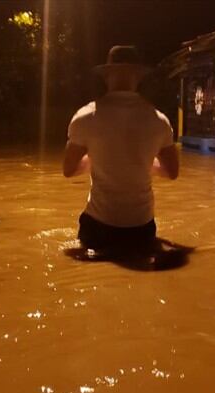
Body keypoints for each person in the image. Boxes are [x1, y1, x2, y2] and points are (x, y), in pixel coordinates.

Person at [63, 45, 180, 256]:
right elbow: (172, 172)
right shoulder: (160, 121)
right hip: (142, 229)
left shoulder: (85, 117)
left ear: (107, 76)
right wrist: (142, 163)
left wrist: (96, 157)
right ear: (138, 77)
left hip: (98, 228)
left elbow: (69, 170)